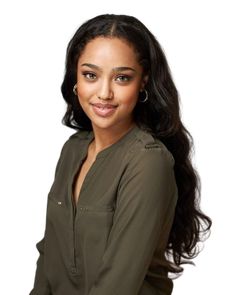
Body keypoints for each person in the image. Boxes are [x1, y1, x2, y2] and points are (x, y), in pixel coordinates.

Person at [29, 14, 212, 295]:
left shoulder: (147, 161)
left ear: (143, 83)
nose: (104, 92)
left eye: (122, 78)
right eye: (90, 75)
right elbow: (50, 254)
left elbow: (117, 285)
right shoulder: (73, 149)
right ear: (75, 78)